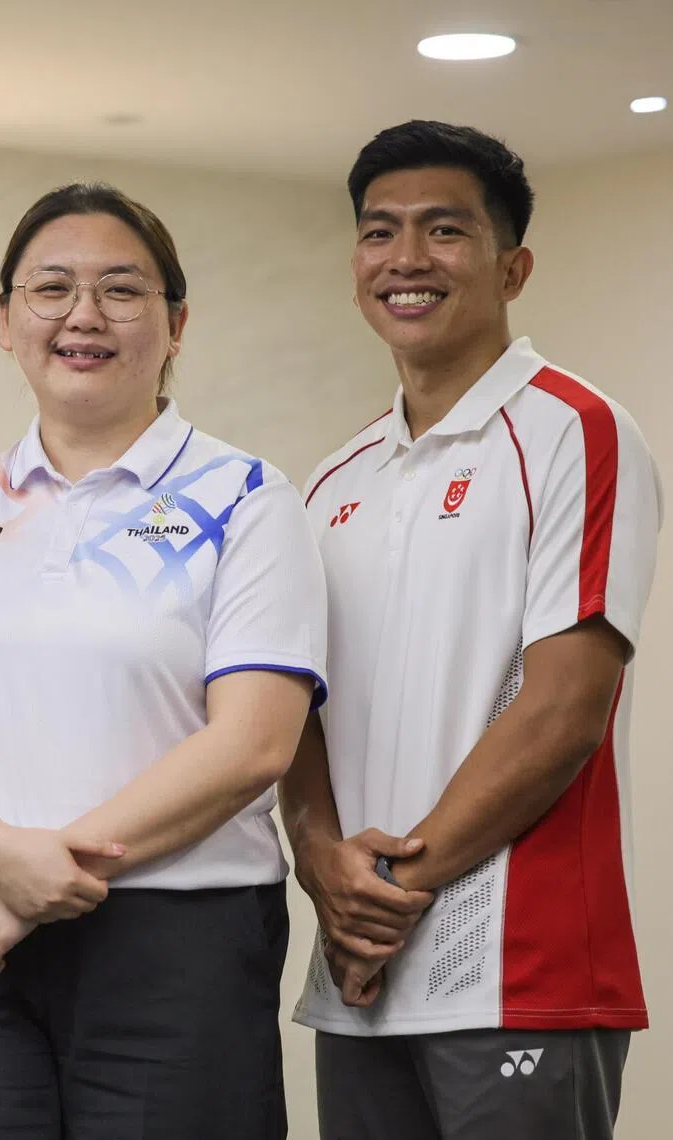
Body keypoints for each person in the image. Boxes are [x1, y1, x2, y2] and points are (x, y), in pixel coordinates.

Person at [0, 181, 328, 1140]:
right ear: (5, 320)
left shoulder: (246, 497)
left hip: (174, 943)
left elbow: (253, 746)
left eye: (121, 289)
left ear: (176, 322)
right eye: (51, 288)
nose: (84, 315)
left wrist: (42, 875)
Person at [281, 120, 662, 1140]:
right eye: (379, 233)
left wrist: (385, 893)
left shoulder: (574, 430)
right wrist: (320, 862)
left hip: (522, 970)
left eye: (444, 231)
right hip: (359, 978)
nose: (406, 259)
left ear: (514, 265)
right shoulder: (330, 481)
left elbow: (565, 707)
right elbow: (295, 715)